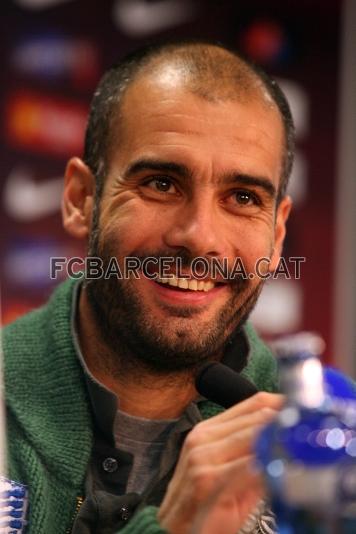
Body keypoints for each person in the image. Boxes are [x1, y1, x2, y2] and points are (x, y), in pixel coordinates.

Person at [3, 39, 294, 534]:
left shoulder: (322, 452)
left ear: (277, 231)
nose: (200, 237)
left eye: (242, 197)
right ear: (81, 199)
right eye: (161, 183)